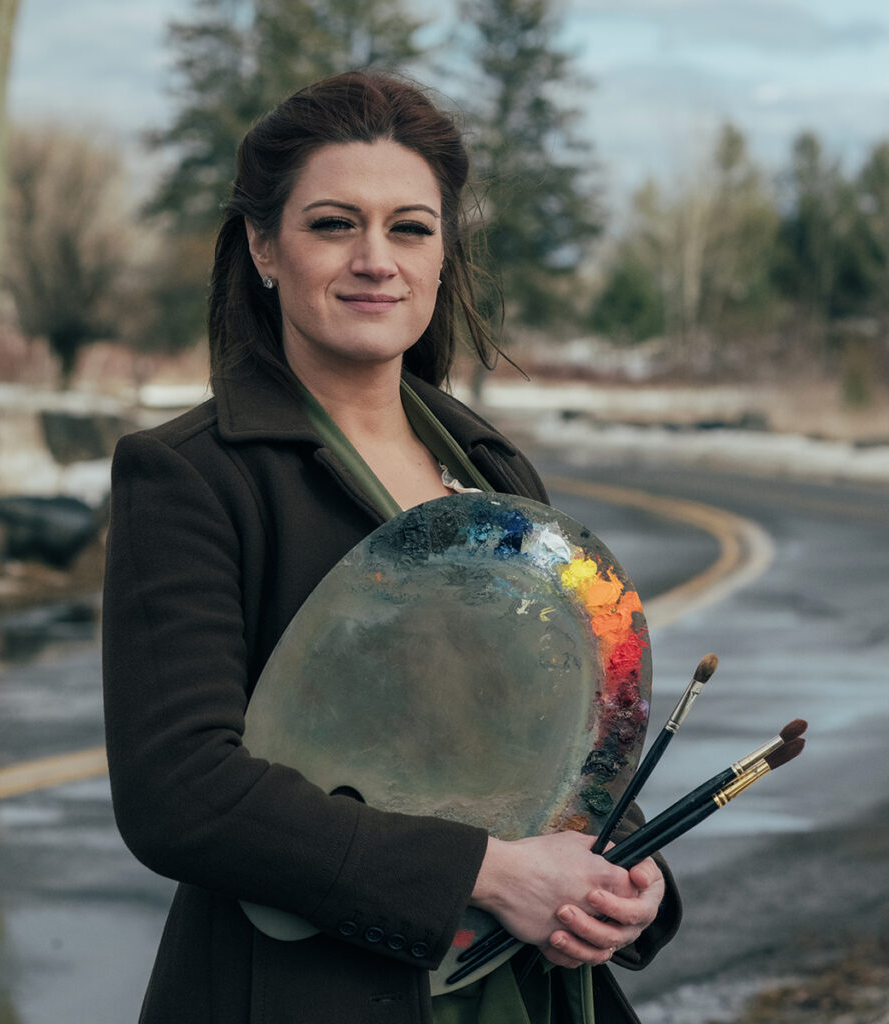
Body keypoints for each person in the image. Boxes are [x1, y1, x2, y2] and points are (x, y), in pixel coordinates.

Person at [101, 71, 680, 1024]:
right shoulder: (190, 475)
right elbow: (184, 793)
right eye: (335, 224)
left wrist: (627, 867)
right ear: (263, 247)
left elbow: (557, 737)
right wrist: (491, 875)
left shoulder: (491, 468)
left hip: (530, 991)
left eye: (410, 228)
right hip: (312, 994)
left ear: (443, 255)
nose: (377, 260)